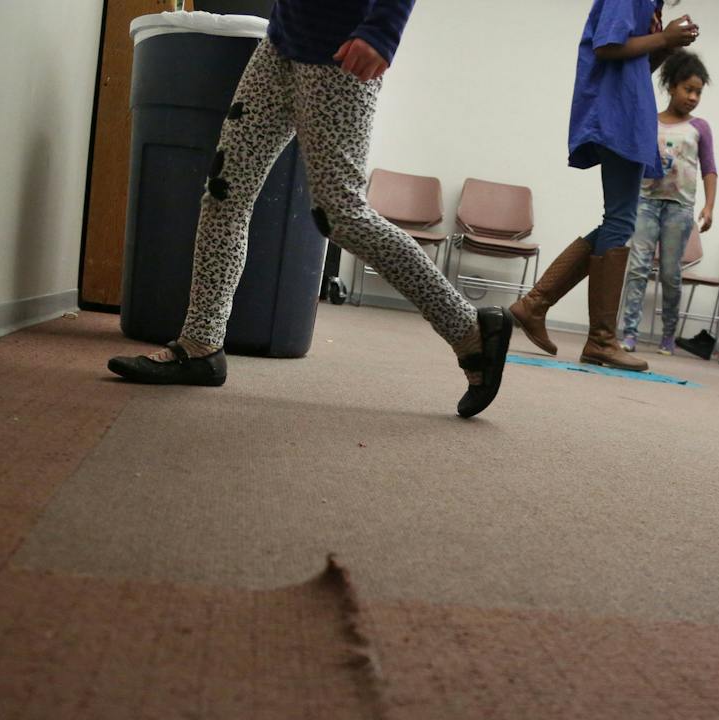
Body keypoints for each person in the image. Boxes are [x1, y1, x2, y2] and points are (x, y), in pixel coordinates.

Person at [105, 0, 512, 419]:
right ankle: (200, 345)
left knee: (341, 214)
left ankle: (470, 329)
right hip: (281, 41)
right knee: (225, 192)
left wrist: (383, 30)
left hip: (341, 48)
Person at [508, 0, 700, 374]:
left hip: (627, 108)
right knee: (620, 220)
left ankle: (536, 304)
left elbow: (636, 65)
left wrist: (666, 45)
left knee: (619, 220)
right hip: (617, 111)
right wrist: (663, 36)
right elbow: (606, 46)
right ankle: (599, 339)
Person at [617, 50, 717, 357]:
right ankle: (629, 333)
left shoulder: (699, 127)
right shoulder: (651, 120)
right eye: (688, 89)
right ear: (671, 86)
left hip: (680, 207)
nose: (693, 97)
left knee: (671, 273)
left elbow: (710, 168)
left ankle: (668, 335)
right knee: (637, 267)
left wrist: (709, 206)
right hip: (646, 201)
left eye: (698, 92)